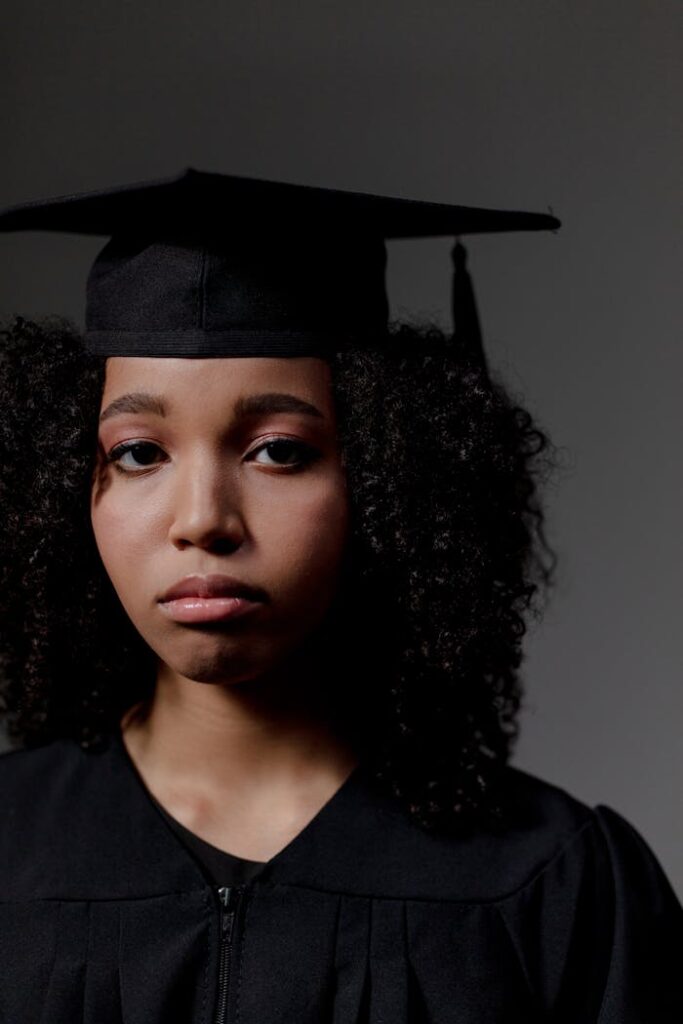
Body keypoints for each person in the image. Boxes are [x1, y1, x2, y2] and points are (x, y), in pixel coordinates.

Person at [0, 168, 680, 1023]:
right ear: (66, 484)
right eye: (139, 453)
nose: (202, 519)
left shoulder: (551, 883)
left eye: (279, 451)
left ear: (392, 476)